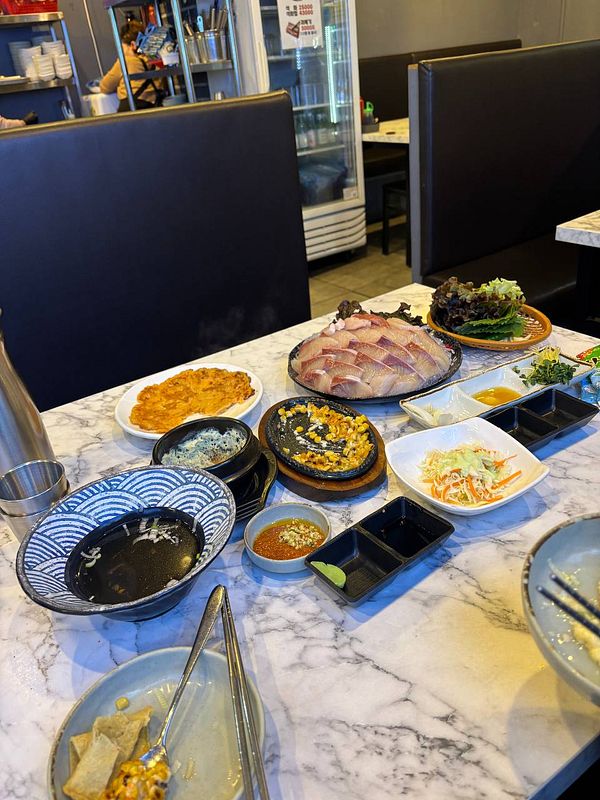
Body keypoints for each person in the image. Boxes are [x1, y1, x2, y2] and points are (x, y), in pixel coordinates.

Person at [99, 20, 161, 112]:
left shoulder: (125, 62)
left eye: (123, 46)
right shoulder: (153, 60)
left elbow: (105, 87)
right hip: (154, 108)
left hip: (131, 109)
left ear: (132, 45)